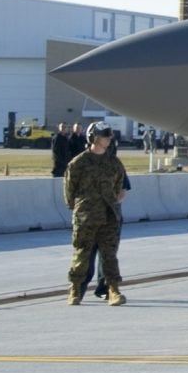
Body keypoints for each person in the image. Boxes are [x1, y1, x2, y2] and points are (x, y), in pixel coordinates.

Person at [63, 123, 128, 306]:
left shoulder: (114, 163)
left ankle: (113, 290)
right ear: (94, 138)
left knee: (109, 256)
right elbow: (69, 192)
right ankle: (75, 290)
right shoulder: (78, 163)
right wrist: (80, 209)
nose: (108, 139)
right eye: (104, 135)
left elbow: (118, 189)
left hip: (109, 217)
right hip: (86, 217)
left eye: (109, 135)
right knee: (81, 254)